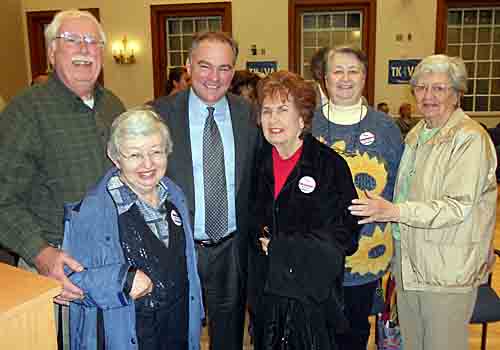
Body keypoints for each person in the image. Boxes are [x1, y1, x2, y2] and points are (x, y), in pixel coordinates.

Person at [349, 54, 497, 350]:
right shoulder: (417, 133)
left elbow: (457, 206)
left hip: (446, 270)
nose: (428, 96)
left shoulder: (469, 139)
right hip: (409, 264)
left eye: (439, 89)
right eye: (421, 88)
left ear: (457, 94)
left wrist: (393, 211)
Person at [0, 9, 125, 348]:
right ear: (52, 52)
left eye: (93, 42)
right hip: (57, 271)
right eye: (72, 40)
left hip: (112, 264)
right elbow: (2, 199)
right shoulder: (25, 111)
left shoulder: (113, 105)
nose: (85, 49)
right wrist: (41, 254)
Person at [63, 108, 203, 350]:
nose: (148, 164)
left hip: (177, 329)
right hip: (130, 336)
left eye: (156, 152)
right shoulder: (92, 211)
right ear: (116, 157)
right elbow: (69, 284)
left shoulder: (175, 195)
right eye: (135, 155)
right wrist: (121, 281)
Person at [153, 31, 258, 350]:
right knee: (176, 336)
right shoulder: (158, 115)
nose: (215, 77)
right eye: (205, 66)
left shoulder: (251, 115)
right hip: (178, 249)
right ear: (188, 66)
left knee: (228, 337)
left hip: (231, 250)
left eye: (225, 68)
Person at [249, 70, 360, 350]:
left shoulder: (329, 165)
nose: (273, 119)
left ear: (302, 118)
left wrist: (282, 247)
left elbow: (346, 236)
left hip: (313, 300)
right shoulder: (253, 164)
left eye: (283, 110)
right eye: (267, 111)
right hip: (266, 296)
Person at [312, 46, 403, 350]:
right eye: (338, 71)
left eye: (354, 71)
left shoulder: (386, 128)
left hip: (367, 254)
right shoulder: (306, 124)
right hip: (315, 254)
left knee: (354, 330)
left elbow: (401, 185)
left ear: (365, 77)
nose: (345, 78)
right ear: (325, 78)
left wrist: (384, 207)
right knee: (316, 332)